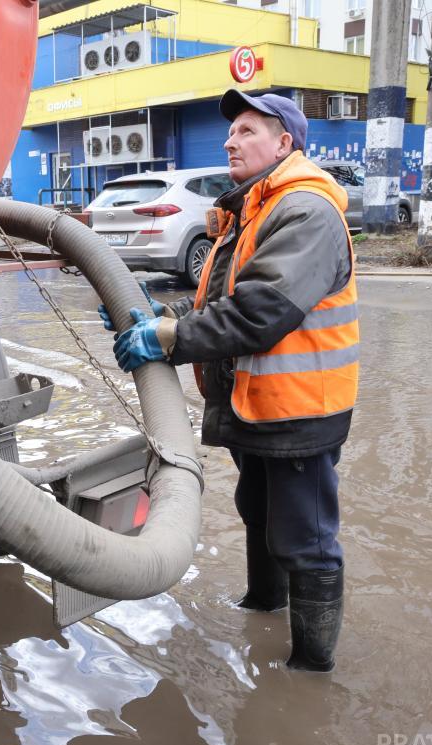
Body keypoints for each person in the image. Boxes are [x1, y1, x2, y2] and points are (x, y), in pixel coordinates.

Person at [103, 90, 358, 672]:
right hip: (258, 406)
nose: (229, 141)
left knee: (307, 541)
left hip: (300, 413)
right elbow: (223, 300)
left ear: (284, 143)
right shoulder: (251, 210)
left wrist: (168, 339)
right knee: (260, 515)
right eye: (231, 131)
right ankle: (262, 609)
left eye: (247, 131)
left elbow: (261, 312)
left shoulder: (305, 211)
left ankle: (309, 673)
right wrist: (165, 318)